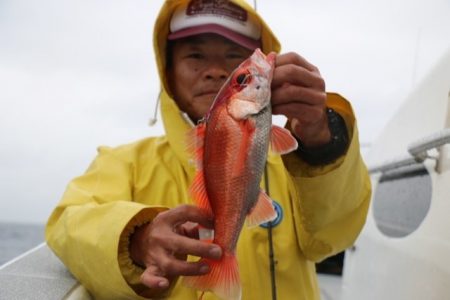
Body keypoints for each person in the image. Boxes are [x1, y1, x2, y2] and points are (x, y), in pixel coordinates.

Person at [45, 0, 371, 299]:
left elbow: (333, 238)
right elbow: (68, 224)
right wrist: (135, 239)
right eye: (195, 55)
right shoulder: (122, 162)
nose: (215, 70)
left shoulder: (293, 167)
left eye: (234, 57)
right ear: (167, 74)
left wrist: (322, 141)